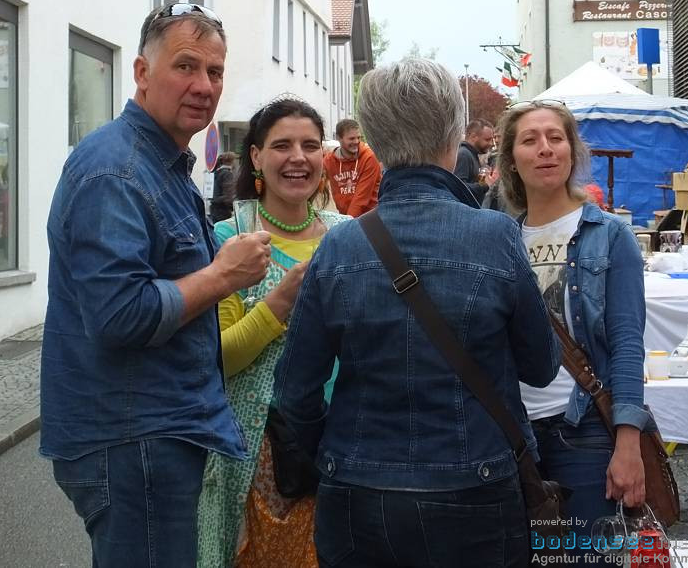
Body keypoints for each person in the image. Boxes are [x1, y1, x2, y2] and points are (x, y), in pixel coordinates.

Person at [275, 59, 560, 568]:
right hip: (475, 485)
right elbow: (541, 367)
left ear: (376, 144)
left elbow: (295, 392)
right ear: (453, 137)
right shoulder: (496, 237)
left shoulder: (338, 248)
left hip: (356, 491)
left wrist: (337, 453)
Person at [41, 3, 274, 568]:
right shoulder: (116, 171)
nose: (203, 86)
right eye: (186, 67)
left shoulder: (159, 162)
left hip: (149, 431)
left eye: (215, 72)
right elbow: (122, 314)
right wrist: (222, 276)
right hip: (132, 438)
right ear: (142, 74)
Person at [197, 98, 349, 568]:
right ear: (257, 157)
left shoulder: (349, 236)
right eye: (282, 145)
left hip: (342, 443)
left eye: (309, 145)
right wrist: (280, 302)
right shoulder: (229, 239)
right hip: (260, 455)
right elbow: (219, 358)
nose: (298, 157)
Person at [497, 99, 648, 561]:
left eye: (555, 138)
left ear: (571, 151)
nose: (545, 149)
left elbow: (626, 343)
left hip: (582, 431)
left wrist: (628, 442)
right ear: (511, 160)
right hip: (512, 438)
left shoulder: (609, 235)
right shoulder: (498, 239)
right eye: (530, 140)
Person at [321, 119, 382, 217]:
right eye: (352, 138)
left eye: (359, 138)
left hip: (370, 218)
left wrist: (346, 224)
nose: (357, 141)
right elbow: (317, 183)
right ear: (339, 138)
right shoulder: (329, 161)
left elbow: (361, 198)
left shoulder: (369, 158)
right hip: (346, 216)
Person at [453, 118, 495, 202]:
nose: (491, 144)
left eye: (492, 139)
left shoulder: (472, 154)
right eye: (487, 139)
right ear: (473, 137)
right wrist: (485, 185)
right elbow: (458, 187)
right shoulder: (464, 154)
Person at [210, 151, 237, 223]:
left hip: (214, 209)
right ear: (232, 161)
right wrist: (234, 208)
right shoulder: (227, 174)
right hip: (223, 211)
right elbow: (229, 195)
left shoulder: (216, 173)